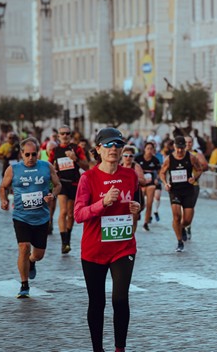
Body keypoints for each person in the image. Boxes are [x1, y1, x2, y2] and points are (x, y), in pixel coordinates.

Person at [74, 128, 141, 352]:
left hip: (123, 246)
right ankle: (98, 349)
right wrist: (102, 204)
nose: (114, 149)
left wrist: (137, 208)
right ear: (98, 149)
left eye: (118, 145)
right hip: (94, 250)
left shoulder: (130, 175)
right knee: (97, 303)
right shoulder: (88, 178)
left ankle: (120, 348)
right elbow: (78, 214)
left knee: (120, 299)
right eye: (109, 145)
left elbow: (137, 204)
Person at [0, 137, 61, 298]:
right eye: (27, 154)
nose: (31, 158)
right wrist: (3, 199)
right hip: (21, 216)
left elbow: (58, 184)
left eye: (34, 154)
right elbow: (3, 187)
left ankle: (32, 262)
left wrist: (52, 196)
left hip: (41, 217)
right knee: (24, 247)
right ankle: (24, 284)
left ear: (38, 153)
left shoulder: (46, 167)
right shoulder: (13, 169)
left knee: (38, 255)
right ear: (21, 154)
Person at [159, 136, 206, 252]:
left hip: (188, 190)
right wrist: (165, 183)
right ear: (174, 147)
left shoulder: (191, 158)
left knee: (187, 220)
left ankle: (182, 227)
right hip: (175, 190)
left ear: (185, 147)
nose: (179, 151)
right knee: (176, 216)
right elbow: (162, 173)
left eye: (182, 148)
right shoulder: (169, 159)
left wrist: (194, 177)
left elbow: (200, 169)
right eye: (177, 148)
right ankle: (179, 241)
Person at [48, 125, 89, 254]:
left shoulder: (77, 149)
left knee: (71, 214)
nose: (65, 136)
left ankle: (68, 239)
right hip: (61, 184)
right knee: (63, 211)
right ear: (58, 136)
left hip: (74, 183)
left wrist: (75, 159)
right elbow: (49, 166)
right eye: (62, 134)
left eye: (67, 133)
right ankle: (63, 242)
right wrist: (52, 172)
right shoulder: (55, 151)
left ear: (70, 135)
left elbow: (86, 166)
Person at [184, 136, 208, 240]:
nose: (188, 144)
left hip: (193, 185)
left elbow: (205, 166)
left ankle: (188, 225)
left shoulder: (197, 155)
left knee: (189, 207)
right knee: (180, 208)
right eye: (186, 142)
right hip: (179, 185)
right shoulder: (177, 154)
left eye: (190, 142)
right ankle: (182, 227)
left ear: (192, 143)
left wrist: (197, 165)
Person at [135, 142, 161, 231]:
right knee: (141, 204)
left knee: (149, 203)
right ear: (144, 149)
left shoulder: (155, 160)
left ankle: (146, 222)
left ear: (153, 150)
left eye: (151, 149)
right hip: (140, 183)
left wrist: (157, 178)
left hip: (151, 183)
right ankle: (139, 212)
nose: (149, 151)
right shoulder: (138, 159)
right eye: (148, 148)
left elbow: (159, 172)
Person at [120, 145, 146, 233]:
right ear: (122, 156)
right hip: (121, 194)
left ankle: (131, 237)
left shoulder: (136, 166)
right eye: (125, 156)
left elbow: (143, 181)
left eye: (130, 156)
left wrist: (133, 177)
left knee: (133, 218)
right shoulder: (118, 166)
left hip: (134, 193)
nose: (128, 158)